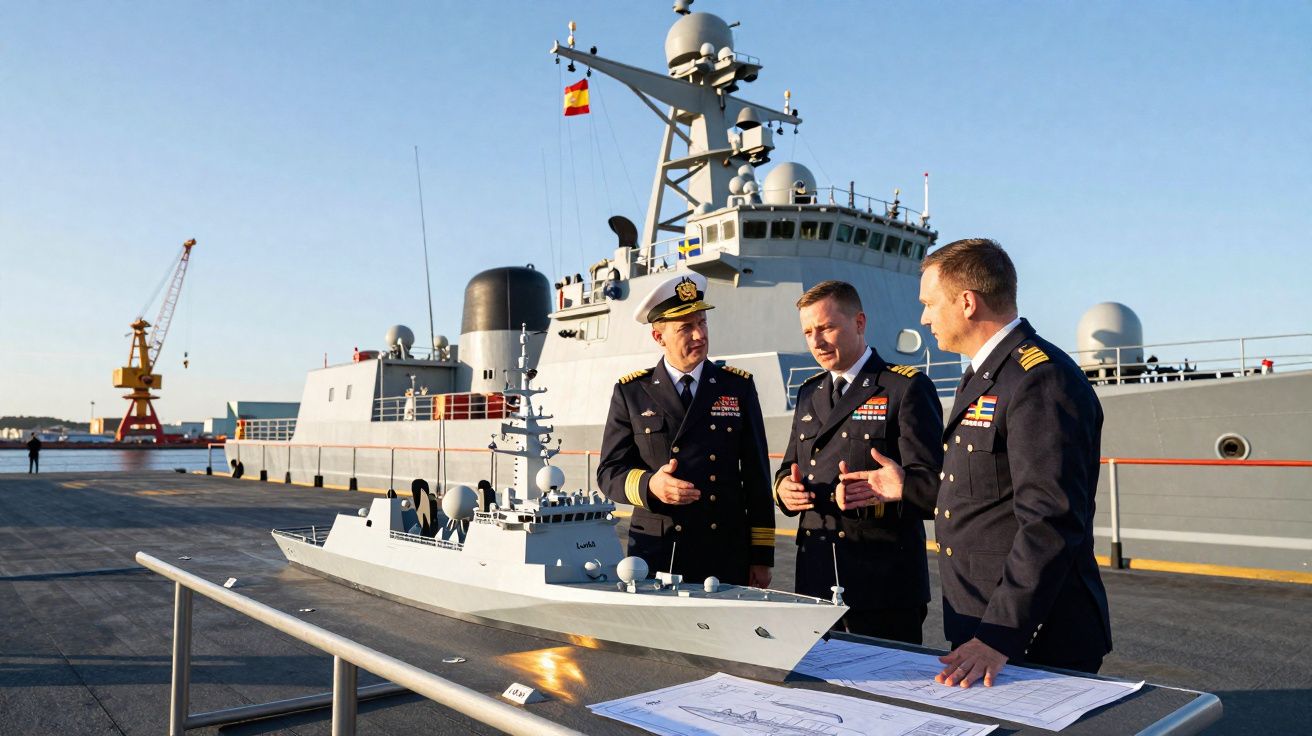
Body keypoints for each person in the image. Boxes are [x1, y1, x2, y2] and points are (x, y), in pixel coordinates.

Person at [849, 238, 1111, 685]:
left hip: (1031, 637)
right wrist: (904, 486)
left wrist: (999, 635)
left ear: (967, 303)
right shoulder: (985, 375)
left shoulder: (1037, 378)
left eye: (930, 303)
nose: (924, 317)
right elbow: (981, 494)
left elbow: (1050, 520)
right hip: (983, 626)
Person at [774, 280, 943, 643]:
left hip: (882, 587)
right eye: (808, 332)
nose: (816, 342)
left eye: (827, 328)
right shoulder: (809, 393)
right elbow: (788, 467)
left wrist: (878, 495)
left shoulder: (904, 388)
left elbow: (933, 489)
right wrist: (783, 492)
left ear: (860, 323)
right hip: (816, 581)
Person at [597, 272, 774, 587]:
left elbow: (757, 476)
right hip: (657, 550)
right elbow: (609, 472)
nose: (699, 335)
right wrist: (651, 485)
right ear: (658, 336)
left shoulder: (737, 387)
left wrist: (761, 556)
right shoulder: (632, 392)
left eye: (702, 323)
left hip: (724, 550)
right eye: (686, 327)